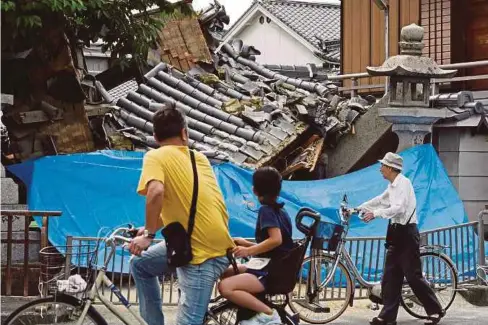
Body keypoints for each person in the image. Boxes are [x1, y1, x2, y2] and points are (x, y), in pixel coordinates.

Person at [128, 107, 235, 325]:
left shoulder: (155, 156)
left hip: (202, 255)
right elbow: (185, 204)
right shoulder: (199, 158)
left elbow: (156, 192)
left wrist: (148, 234)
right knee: (140, 265)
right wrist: (150, 228)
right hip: (201, 242)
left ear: (156, 138)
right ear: (185, 133)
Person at [359, 152, 444, 325]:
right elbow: (381, 200)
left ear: (390, 168)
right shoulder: (392, 186)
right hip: (396, 232)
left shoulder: (404, 184)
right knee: (391, 276)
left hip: (407, 233)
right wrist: (360, 207)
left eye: (382, 165)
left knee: (413, 276)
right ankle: (387, 316)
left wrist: (375, 214)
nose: (380, 169)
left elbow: (399, 208)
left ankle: (435, 310)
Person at [218, 166, 294, 325]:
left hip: (271, 272)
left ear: (255, 189)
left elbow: (276, 240)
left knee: (225, 287)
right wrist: (245, 243)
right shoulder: (281, 210)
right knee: (226, 272)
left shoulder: (266, 210)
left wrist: (248, 250)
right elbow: (275, 246)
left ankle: (268, 314)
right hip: (275, 267)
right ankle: (248, 312)